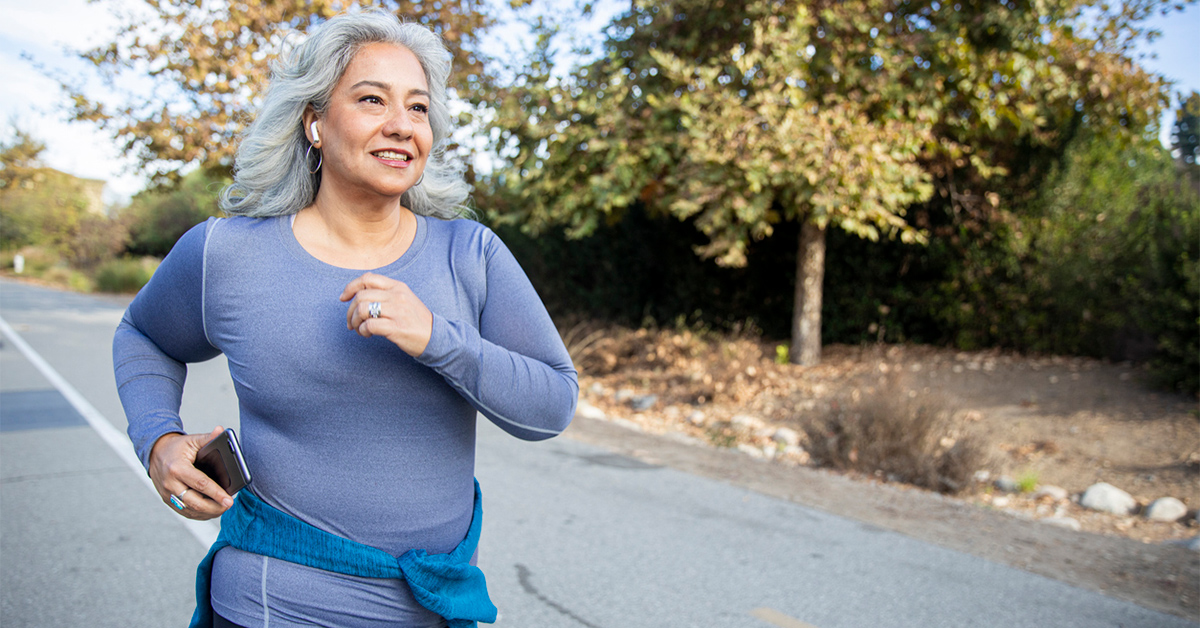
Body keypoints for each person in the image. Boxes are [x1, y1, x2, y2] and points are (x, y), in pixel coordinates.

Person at [112, 9, 578, 628]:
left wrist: (439, 338)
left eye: (418, 108)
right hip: (272, 607)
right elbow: (143, 335)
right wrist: (158, 439)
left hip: (434, 608)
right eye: (371, 99)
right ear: (314, 123)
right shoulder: (226, 253)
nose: (401, 125)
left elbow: (552, 406)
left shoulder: (471, 253)